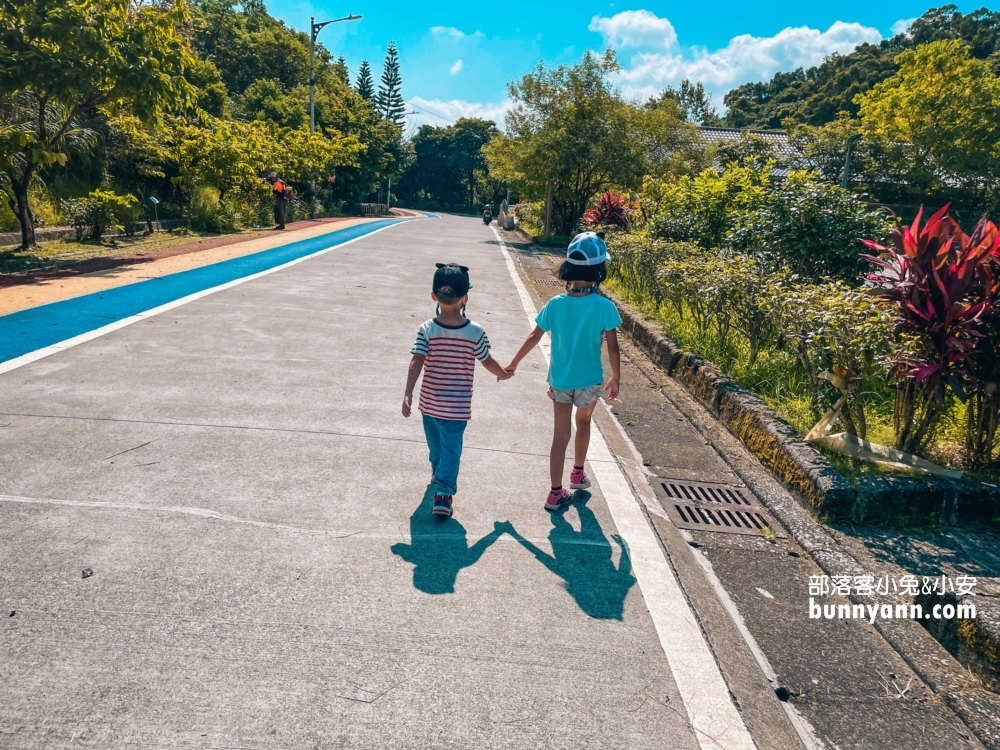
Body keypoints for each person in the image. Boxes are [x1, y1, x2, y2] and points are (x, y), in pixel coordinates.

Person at [504, 231, 622, 511]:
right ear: (599, 271)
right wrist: (616, 377)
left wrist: (513, 363)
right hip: (590, 381)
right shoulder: (604, 307)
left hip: (560, 380)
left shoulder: (555, 304)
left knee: (560, 435)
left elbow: (534, 337)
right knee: (583, 424)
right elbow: (613, 348)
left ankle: (555, 493)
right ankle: (578, 474)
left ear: (567, 268)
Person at [402, 263, 512, 518]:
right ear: (465, 298)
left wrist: (408, 392)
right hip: (457, 407)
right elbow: (487, 361)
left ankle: (439, 478)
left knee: (436, 445)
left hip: (429, 404)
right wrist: (503, 374)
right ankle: (443, 494)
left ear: (433, 296)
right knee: (450, 448)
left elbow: (416, 361)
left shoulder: (426, 329)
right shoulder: (475, 332)